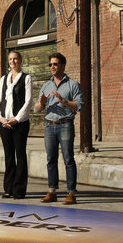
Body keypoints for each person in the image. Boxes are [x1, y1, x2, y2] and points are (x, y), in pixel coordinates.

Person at [34, 52, 84, 205]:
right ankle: (52, 191)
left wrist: (63, 101)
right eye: (50, 64)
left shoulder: (73, 85)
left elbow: (79, 106)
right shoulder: (46, 85)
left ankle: (71, 193)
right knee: (51, 160)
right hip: (49, 126)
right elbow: (36, 109)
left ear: (63, 65)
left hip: (65, 125)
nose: (52, 67)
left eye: (55, 64)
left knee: (68, 159)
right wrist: (41, 103)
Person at [0, 50, 32, 199]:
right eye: (10, 59)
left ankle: (19, 190)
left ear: (20, 61)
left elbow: (28, 102)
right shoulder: (3, 79)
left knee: (20, 155)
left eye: (16, 59)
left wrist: (16, 119)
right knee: (9, 156)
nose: (13, 61)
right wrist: (0, 118)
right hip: (4, 124)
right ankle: (8, 188)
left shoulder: (27, 78)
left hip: (20, 123)